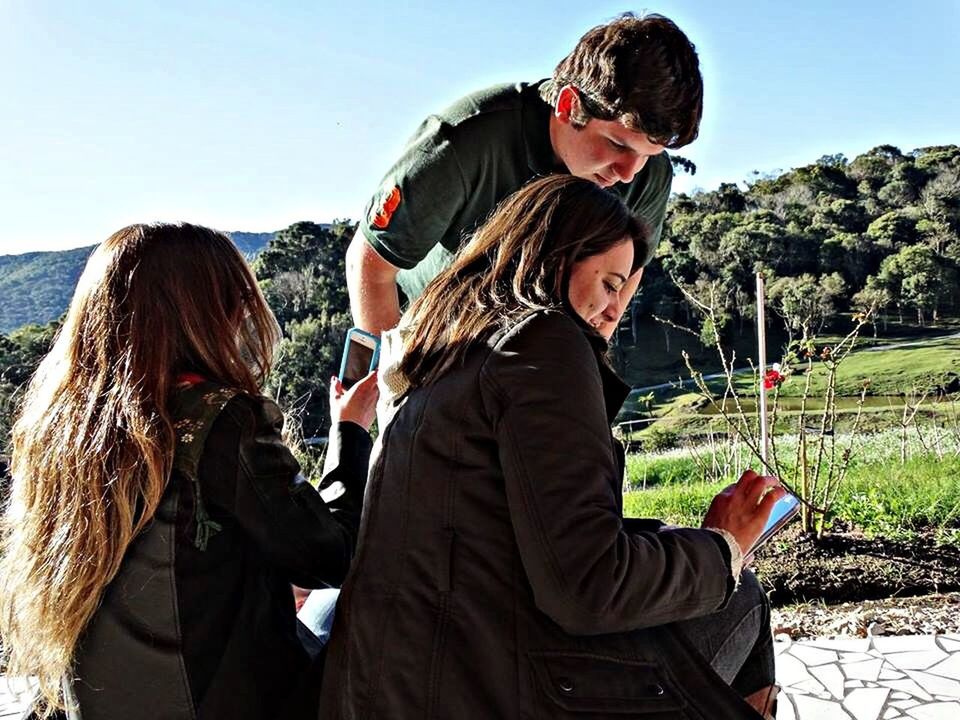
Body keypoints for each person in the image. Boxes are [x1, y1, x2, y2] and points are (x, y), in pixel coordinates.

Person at [319, 176, 783, 720]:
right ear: (556, 258)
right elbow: (586, 586)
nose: (613, 311)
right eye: (610, 285)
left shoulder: (434, 351)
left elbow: (501, 534)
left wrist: (668, 542)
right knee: (741, 595)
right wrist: (722, 547)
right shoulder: (542, 341)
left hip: (391, 685)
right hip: (479, 689)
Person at [0, 223, 378, 720]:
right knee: (353, 605)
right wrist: (350, 432)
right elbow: (328, 555)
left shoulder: (62, 432)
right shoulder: (221, 417)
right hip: (221, 705)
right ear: (206, 313)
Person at [347, 12, 703, 339]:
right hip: (436, 340)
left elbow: (628, 273)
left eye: (649, 154)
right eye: (617, 144)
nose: (629, 174)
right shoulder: (462, 142)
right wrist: (394, 390)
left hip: (540, 350)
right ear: (568, 105)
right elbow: (370, 266)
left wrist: (587, 364)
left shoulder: (649, 176)